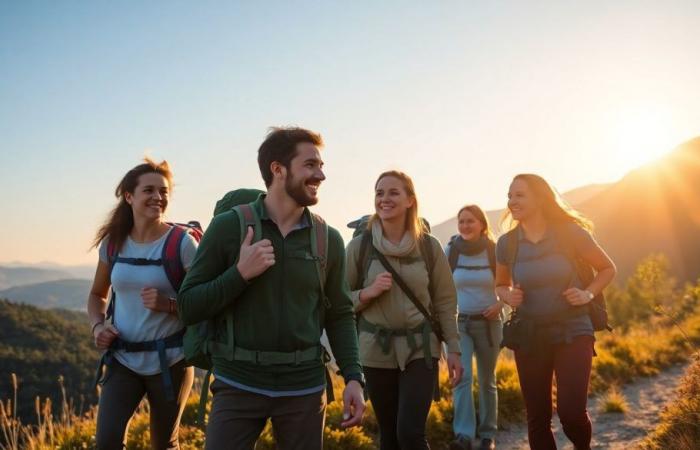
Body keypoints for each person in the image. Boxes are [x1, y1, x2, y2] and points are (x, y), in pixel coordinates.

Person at [177, 127, 365, 450]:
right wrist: (239, 274)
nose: (320, 174)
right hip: (238, 382)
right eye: (310, 165)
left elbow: (341, 315)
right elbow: (188, 305)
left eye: (321, 166)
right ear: (278, 170)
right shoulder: (229, 228)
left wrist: (352, 376)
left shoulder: (328, 239)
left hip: (303, 388)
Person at [494, 174, 616, 450]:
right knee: (537, 417)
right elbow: (500, 285)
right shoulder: (507, 243)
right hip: (530, 334)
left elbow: (608, 268)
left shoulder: (570, 233)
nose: (512, 201)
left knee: (571, 413)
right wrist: (508, 295)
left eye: (519, 195)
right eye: (509, 196)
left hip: (573, 328)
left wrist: (587, 293)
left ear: (540, 197)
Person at [346, 170, 463, 450]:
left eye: (393, 192)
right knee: (389, 436)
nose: (384, 199)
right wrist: (367, 292)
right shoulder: (360, 247)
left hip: (421, 348)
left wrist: (455, 348)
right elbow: (338, 301)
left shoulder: (428, 246)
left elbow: (446, 301)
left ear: (410, 200)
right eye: (379, 193)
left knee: (410, 434)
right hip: (375, 349)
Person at [88, 158, 197, 450]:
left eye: (163, 191)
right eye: (149, 190)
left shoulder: (182, 244)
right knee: (107, 442)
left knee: (164, 444)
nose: (158, 197)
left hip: (172, 361)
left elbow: (204, 302)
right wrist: (98, 326)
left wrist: (170, 305)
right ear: (129, 196)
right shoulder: (113, 243)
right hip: (123, 359)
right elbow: (97, 294)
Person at [447, 205, 502, 450]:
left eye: (470, 221)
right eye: (462, 221)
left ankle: (488, 434)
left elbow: (512, 284)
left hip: (489, 324)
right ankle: (464, 436)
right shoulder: (451, 251)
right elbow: (441, 288)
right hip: (460, 324)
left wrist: (500, 305)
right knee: (462, 377)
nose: (465, 225)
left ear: (482, 223)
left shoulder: (495, 251)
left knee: (487, 380)